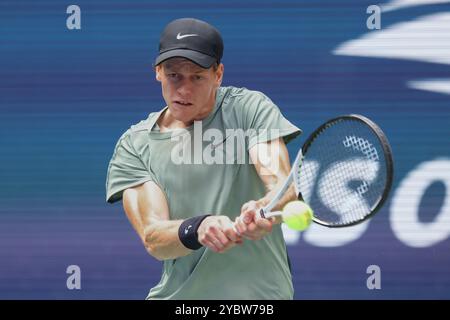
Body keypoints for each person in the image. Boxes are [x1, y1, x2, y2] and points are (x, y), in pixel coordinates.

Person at [106, 18, 301, 299]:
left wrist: (263, 209)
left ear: (218, 74)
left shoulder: (249, 109)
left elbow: (283, 187)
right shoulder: (135, 145)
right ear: (158, 72)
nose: (184, 90)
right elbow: (153, 238)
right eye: (174, 75)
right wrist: (198, 227)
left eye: (197, 77)